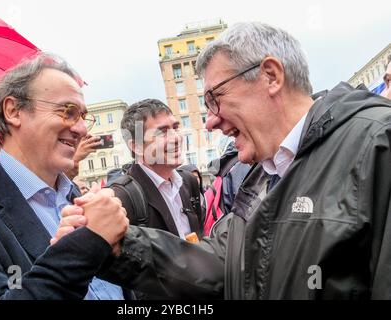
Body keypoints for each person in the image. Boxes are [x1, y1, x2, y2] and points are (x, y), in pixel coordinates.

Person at [58, 22, 391, 299]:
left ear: (271, 76)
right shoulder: (264, 174)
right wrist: (116, 244)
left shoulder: (376, 145)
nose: (210, 122)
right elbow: (219, 265)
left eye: (215, 99)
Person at [0, 53, 129, 300]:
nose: (82, 129)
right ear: (14, 111)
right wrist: (83, 247)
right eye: (68, 111)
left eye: (83, 116)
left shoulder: (78, 197)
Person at [113, 99, 203, 240]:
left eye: (175, 127)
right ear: (136, 146)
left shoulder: (188, 181)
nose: (176, 138)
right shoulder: (120, 198)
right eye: (162, 132)